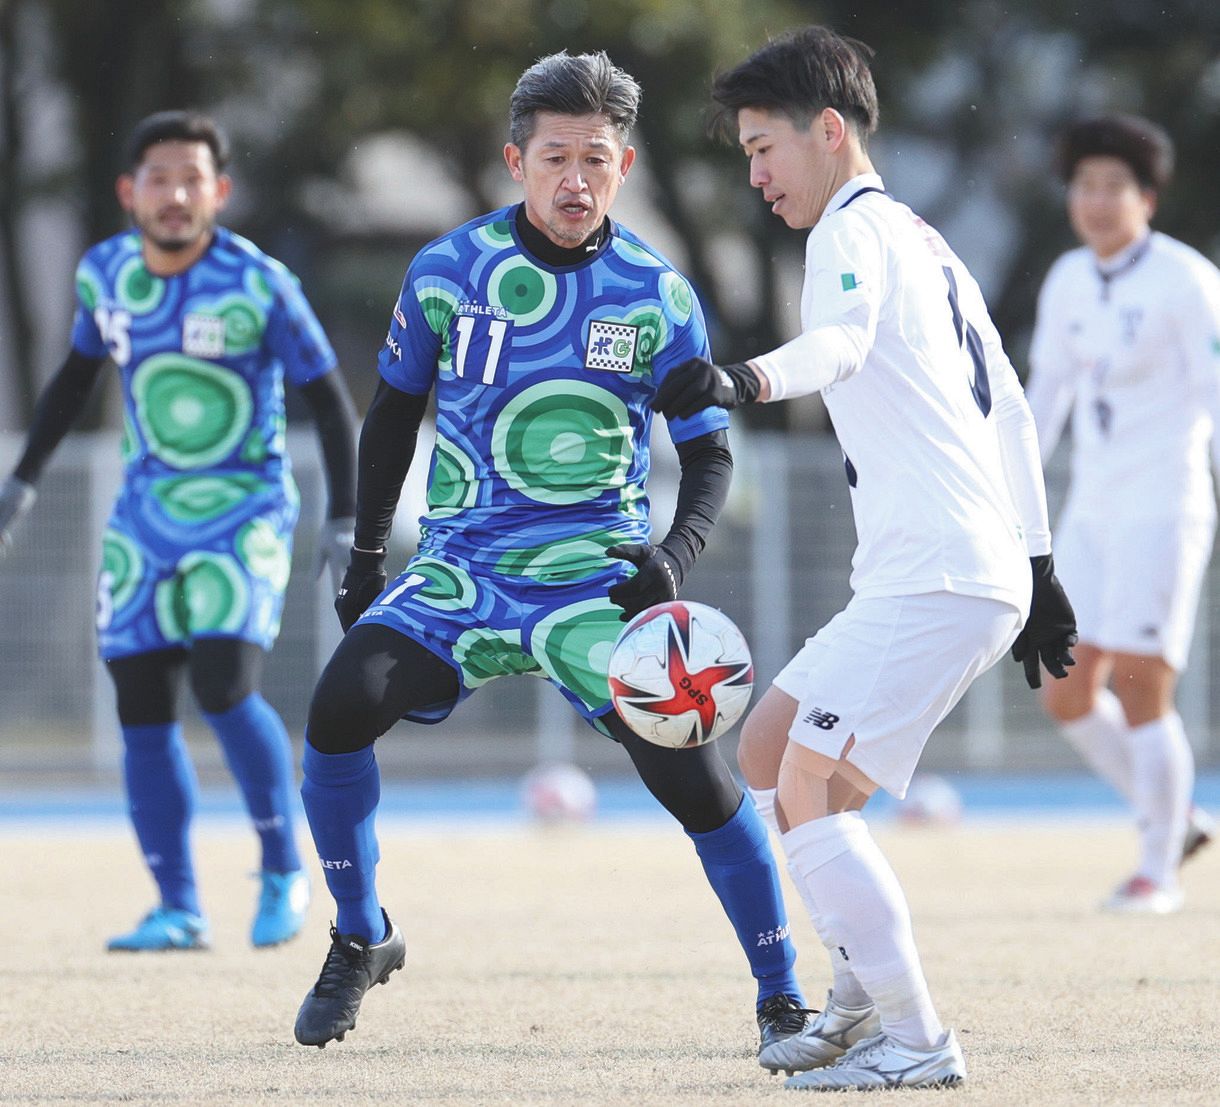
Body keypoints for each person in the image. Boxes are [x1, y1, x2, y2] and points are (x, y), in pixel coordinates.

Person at [291, 51, 810, 1065]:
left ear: (622, 167)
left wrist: (674, 555)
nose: (576, 180)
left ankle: (782, 997)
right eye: (556, 157)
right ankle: (361, 935)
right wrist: (364, 552)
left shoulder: (655, 294)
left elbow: (708, 453)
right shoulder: (448, 271)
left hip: (592, 581)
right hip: (461, 572)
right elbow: (392, 414)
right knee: (337, 710)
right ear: (515, 162)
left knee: (695, 782)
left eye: (598, 160)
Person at [652, 26, 1077, 1091]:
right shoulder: (924, 239)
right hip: (944, 569)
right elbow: (1010, 409)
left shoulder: (847, 236)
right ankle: (855, 990)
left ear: (827, 132)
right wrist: (1038, 569)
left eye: (762, 148)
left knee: (798, 775)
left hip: (934, 571)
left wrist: (738, 381)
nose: (752, 174)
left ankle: (917, 1040)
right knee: (771, 751)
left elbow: (838, 345)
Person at [0, 111, 358, 951]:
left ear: (219, 193)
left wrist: (348, 518)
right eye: (158, 178)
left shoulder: (261, 283)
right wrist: (21, 479)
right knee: (140, 706)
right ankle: (177, 906)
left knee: (224, 684)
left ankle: (280, 866)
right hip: (144, 515)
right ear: (130, 192)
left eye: (192, 179)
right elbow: (74, 378)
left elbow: (332, 403)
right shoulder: (105, 274)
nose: (175, 194)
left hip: (246, 508)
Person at [1025, 115, 1218, 914]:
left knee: (1143, 688)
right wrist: (1011, 494)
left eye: (1115, 188)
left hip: (1163, 507)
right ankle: (1175, 822)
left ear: (1147, 196)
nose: (1097, 203)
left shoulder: (1187, 280)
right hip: (1091, 509)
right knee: (1064, 689)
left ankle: (1156, 870)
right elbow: (1044, 398)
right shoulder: (1068, 277)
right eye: (1085, 186)